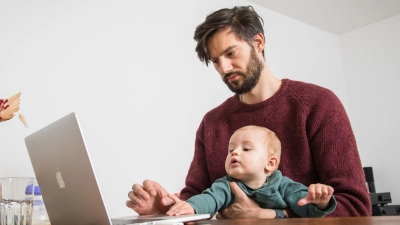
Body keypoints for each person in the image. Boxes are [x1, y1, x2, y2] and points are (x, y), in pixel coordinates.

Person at [127, 5, 371, 218]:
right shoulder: (212, 123)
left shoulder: (318, 104)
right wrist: (169, 211)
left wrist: (275, 216)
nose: (224, 68)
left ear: (258, 42)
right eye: (215, 61)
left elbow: (356, 206)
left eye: (230, 53)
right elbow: (198, 197)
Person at [166, 125, 337, 218]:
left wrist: (320, 201)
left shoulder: (284, 185)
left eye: (246, 149)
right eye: (230, 149)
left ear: (270, 163)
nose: (234, 152)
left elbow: (305, 207)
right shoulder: (226, 185)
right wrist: (192, 206)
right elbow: (210, 199)